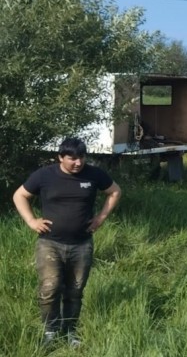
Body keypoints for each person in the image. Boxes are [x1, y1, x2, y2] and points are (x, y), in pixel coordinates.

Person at [12, 137, 121, 348]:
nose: (78, 163)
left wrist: (101, 217)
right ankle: (50, 331)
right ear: (60, 157)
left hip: (81, 244)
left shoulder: (94, 174)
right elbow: (20, 195)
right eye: (72, 158)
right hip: (50, 243)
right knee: (50, 288)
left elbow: (115, 191)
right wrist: (31, 220)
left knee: (75, 290)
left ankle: (71, 331)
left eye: (81, 158)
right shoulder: (44, 175)